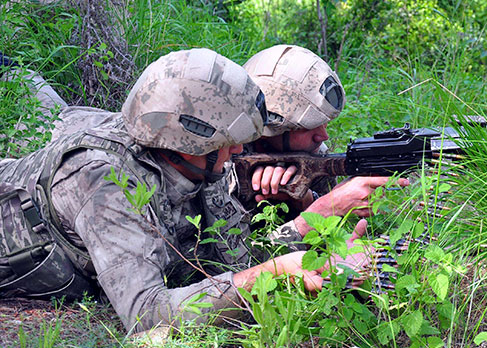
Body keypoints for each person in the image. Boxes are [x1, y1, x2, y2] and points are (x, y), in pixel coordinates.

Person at [0, 48, 372, 333]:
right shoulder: (103, 183)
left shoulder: (199, 167)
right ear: (189, 143)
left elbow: (233, 259)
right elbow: (147, 315)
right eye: (229, 142)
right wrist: (271, 275)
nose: (240, 151)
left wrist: (310, 237)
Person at [231, 45, 406, 244]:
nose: (323, 136)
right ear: (269, 128)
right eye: (308, 127)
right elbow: (241, 267)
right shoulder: (219, 167)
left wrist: (304, 200)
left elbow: (330, 236)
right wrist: (327, 207)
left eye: (323, 124)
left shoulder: (309, 156)